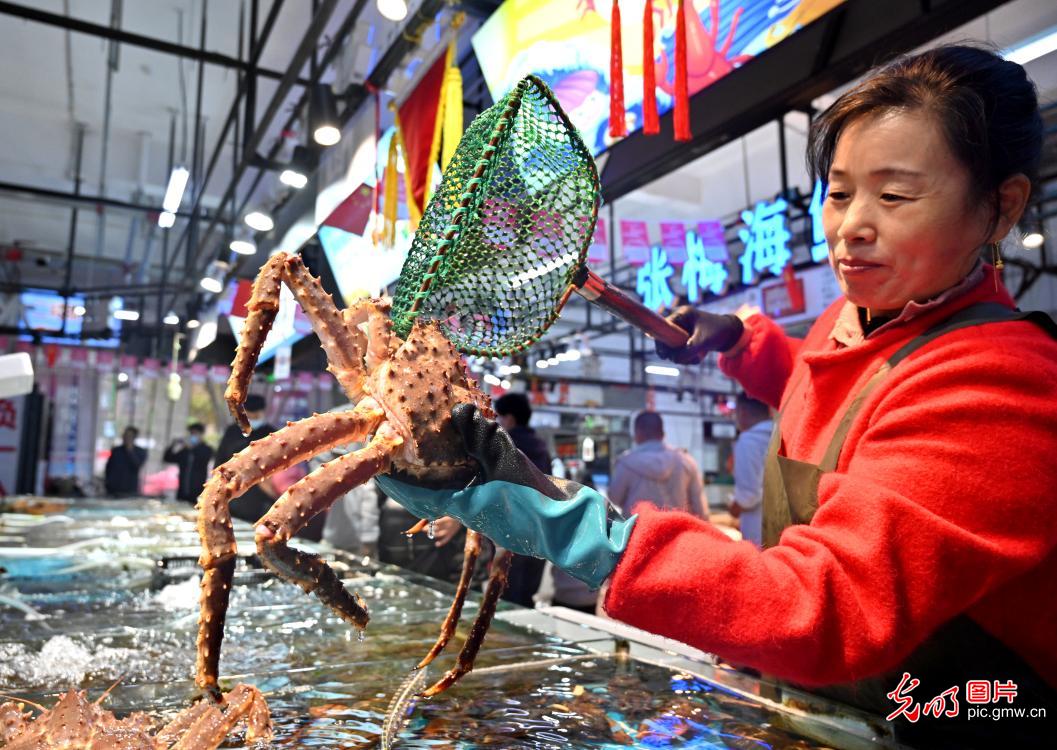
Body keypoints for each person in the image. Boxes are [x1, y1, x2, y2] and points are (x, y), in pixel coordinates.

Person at [376, 46, 1057, 747]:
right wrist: (739, 341)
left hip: (957, 713)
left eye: (893, 196)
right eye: (839, 191)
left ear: (1000, 207)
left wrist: (581, 531)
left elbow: (827, 608)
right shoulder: (854, 317)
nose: (851, 225)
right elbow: (839, 385)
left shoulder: (1002, 383)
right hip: (833, 702)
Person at [215, 394, 325, 541]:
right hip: (234, 495)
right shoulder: (232, 432)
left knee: (258, 533)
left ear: (263, 412)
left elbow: (281, 464)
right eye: (250, 415)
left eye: (257, 415)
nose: (254, 418)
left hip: (262, 496)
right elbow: (220, 463)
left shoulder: (270, 433)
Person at [492, 392, 552, 608]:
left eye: (499, 417)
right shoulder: (541, 447)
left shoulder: (503, 445)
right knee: (527, 598)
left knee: (506, 601)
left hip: (509, 534)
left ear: (510, 418)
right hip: (539, 533)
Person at [608, 411, 705, 518]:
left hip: (638, 532)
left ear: (637, 434)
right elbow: (700, 509)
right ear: (663, 434)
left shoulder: (626, 463)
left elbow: (614, 498)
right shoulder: (686, 461)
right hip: (677, 532)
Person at [728, 394, 773, 546]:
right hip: (781, 524)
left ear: (743, 411)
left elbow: (748, 495)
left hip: (757, 528)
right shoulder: (780, 435)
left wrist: (734, 508)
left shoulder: (748, 441)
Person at [163, 422, 214, 504]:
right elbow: (167, 458)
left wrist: (191, 448)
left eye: (195, 433)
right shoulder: (185, 451)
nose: (192, 436)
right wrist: (173, 445)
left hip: (197, 491)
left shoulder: (207, 449)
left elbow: (203, 459)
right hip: (182, 490)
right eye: (191, 433)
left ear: (201, 435)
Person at [104, 426, 147, 497]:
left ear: (134, 437)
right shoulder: (116, 451)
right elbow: (109, 467)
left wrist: (130, 451)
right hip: (113, 488)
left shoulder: (140, 452)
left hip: (130, 489)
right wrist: (107, 482)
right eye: (125, 435)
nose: (126, 437)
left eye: (129, 436)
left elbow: (137, 465)